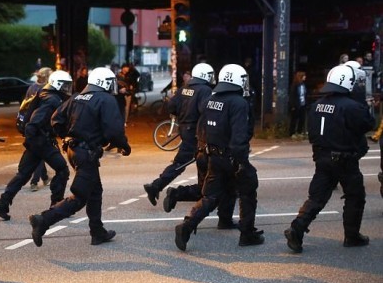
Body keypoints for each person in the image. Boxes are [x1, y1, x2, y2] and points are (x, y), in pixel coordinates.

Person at [28, 67, 131, 247]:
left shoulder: (76, 97)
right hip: (87, 154)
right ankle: (43, 220)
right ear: (104, 82)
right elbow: (114, 130)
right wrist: (124, 146)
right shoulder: (106, 99)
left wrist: (66, 136)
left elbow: (55, 119)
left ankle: (97, 231)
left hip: (73, 150)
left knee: (95, 191)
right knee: (79, 197)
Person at [284, 65, 375, 253]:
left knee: (316, 198)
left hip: (322, 158)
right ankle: (352, 236)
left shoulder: (316, 105)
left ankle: (297, 228)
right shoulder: (351, 106)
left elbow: (312, 134)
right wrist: (362, 101)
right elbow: (368, 124)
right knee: (355, 197)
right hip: (345, 160)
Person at [174, 64, 264, 251]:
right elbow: (240, 137)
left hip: (213, 156)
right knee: (248, 191)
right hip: (232, 157)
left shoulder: (211, 99)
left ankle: (187, 226)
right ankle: (247, 234)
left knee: (210, 196)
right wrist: (242, 163)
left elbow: (202, 128)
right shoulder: (239, 103)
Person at [0, 70, 73, 221]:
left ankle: (3, 202)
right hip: (41, 141)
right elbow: (34, 123)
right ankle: (56, 205)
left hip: (37, 141)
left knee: (23, 174)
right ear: (57, 84)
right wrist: (39, 142)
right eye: (66, 85)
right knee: (62, 170)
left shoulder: (45, 94)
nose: (68, 89)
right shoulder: (52, 100)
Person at [143, 63, 215, 208]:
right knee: (183, 163)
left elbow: (171, 106)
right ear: (206, 75)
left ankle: (202, 190)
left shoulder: (185, 88)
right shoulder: (205, 90)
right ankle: (157, 185)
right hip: (196, 133)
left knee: (196, 162)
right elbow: (205, 111)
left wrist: (183, 117)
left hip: (184, 129)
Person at [26, 67, 52, 191]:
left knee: (38, 151)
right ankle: (34, 182)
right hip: (40, 123)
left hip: (30, 123)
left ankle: (45, 177)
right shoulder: (45, 89)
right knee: (40, 153)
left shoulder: (31, 87)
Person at [288, 71, 308, 137]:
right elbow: (292, 96)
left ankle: (299, 131)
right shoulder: (295, 85)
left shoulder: (303, 85)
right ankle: (292, 132)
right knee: (294, 119)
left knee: (302, 118)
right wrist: (293, 105)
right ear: (301, 77)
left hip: (302, 104)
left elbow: (304, 94)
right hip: (296, 105)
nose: (305, 77)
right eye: (304, 76)